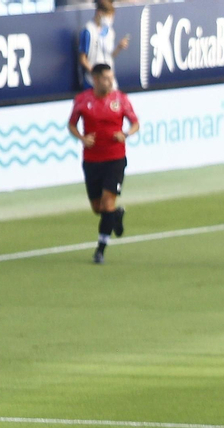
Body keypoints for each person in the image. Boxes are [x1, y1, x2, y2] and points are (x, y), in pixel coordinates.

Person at [67, 64, 139, 265]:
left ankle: (100, 249)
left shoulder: (120, 99)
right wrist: (82, 138)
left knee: (107, 202)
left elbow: (135, 123)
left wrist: (125, 134)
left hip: (115, 159)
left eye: (111, 77)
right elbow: (71, 124)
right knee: (99, 209)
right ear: (95, 79)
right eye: (106, 78)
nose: (110, 81)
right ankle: (116, 214)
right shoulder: (82, 101)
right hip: (91, 161)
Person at [77, 0, 129, 89]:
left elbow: (110, 56)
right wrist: (95, 73)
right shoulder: (88, 31)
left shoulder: (110, 32)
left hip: (109, 79)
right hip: (93, 81)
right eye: (108, 16)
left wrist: (119, 47)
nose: (110, 19)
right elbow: (83, 59)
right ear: (99, 13)